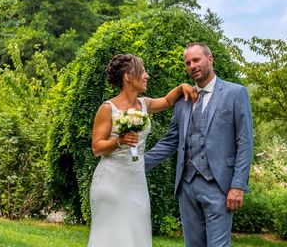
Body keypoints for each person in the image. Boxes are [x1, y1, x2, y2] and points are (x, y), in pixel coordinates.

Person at [145, 42, 254, 247]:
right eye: (188, 63)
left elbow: (245, 142)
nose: (192, 66)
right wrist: (136, 163)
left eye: (196, 60)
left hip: (219, 186)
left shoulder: (235, 93)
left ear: (210, 59)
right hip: (187, 186)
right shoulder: (182, 101)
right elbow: (170, 142)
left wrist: (238, 186)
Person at [88, 53, 198, 247]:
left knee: (137, 233)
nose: (147, 76)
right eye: (143, 71)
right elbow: (97, 147)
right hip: (111, 182)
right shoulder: (108, 108)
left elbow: (167, 101)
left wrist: (182, 88)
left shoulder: (144, 104)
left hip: (137, 182)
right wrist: (119, 141)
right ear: (128, 76)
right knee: (112, 236)